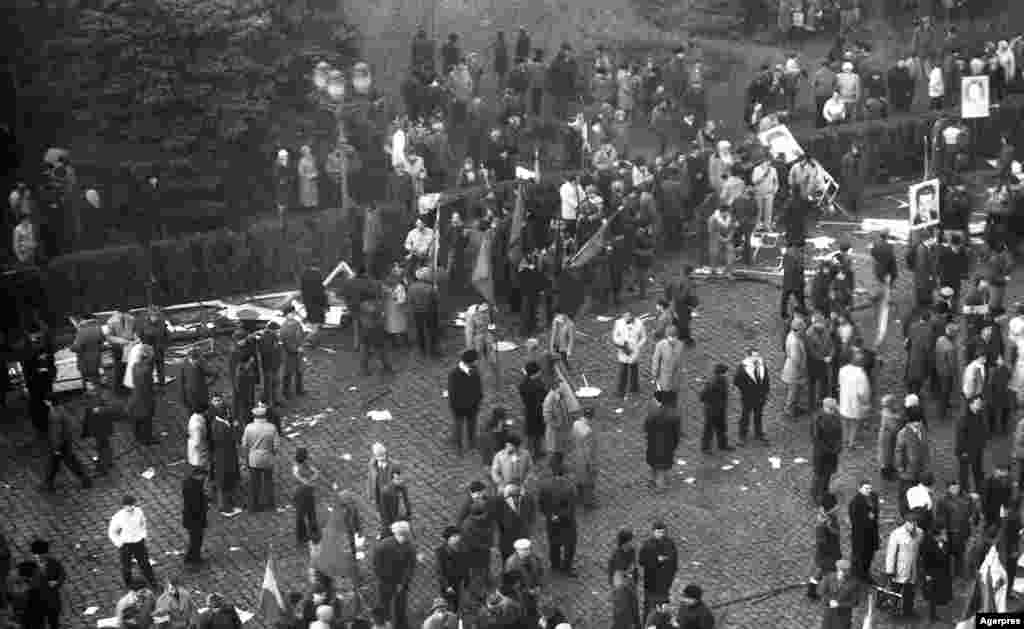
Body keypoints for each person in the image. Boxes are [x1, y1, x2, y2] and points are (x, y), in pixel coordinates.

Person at [537, 454, 578, 576]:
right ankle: (566, 567)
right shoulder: (570, 487)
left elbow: (541, 505)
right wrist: (560, 516)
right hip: (567, 522)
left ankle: (555, 565)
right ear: (564, 473)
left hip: (551, 521)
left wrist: (551, 515)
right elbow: (571, 507)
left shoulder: (544, 486)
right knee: (569, 544)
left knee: (554, 543)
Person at [108, 495, 158, 588]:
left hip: (138, 542)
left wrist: (143, 535)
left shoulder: (139, 512)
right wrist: (119, 543)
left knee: (145, 563)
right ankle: (128, 583)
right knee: (126, 566)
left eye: (132, 505)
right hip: (126, 544)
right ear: (124, 506)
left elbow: (143, 523)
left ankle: (152, 580)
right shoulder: (118, 517)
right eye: (128, 505)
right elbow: (112, 532)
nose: (131, 507)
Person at [374, 521, 416, 629]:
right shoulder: (383, 546)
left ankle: (400, 625)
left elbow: (410, 567)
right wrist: (389, 582)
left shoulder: (409, 547)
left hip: (401, 582)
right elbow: (378, 566)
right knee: (384, 607)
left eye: (406, 535)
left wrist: (402, 583)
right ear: (397, 534)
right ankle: (383, 625)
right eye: (403, 535)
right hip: (385, 582)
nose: (405, 538)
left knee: (400, 607)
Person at [43, 399, 92, 492]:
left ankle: (85, 479)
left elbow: (56, 433)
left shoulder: (54, 414)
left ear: (49, 402)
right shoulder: (62, 409)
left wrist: (56, 447)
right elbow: (71, 424)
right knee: (57, 463)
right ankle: (48, 482)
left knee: (67, 462)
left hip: (60, 444)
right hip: (66, 441)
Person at [934, 479, 978, 578]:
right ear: (948, 488)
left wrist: (973, 520)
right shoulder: (943, 500)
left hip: (963, 533)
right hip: (949, 533)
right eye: (952, 487)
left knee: (961, 556)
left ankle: (959, 575)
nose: (955, 489)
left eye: (957, 486)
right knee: (947, 556)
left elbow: (973, 513)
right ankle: (947, 575)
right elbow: (940, 518)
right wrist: (942, 532)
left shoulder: (967, 498)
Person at [241, 403, 279, 512]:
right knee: (268, 482)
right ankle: (270, 505)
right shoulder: (271, 427)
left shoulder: (249, 428)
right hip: (267, 457)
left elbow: (244, 444)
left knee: (254, 483)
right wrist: (272, 453)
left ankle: (253, 506)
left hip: (254, 458)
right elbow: (276, 446)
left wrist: (247, 456)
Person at [209, 394, 242, 515]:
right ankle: (225, 508)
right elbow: (230, 439)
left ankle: (225, 504)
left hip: (221, 456)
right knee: (224, 483)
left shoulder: (218, 423)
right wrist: (235, 428)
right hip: (224, 457)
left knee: (223, 482)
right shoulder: (222, 426)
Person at [638, 522, 678, 620]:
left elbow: (674, 561)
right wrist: (656, 560)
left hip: (665, 581)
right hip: (651, 582)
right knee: (649, 606)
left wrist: (670, 577)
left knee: (664, 606)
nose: (661, 534)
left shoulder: (670, 543)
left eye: (663, 532)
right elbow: (641, 561)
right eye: (658, 532)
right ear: (653, 532)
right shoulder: (647, 545)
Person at [885, 515, 922, 618]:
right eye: (911, 523)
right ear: (906, 522)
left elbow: (919, 550)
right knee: (895, 591)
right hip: (899, 569)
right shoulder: (896, 534)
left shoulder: (920, 533)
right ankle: (893, 611)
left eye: (915, 523)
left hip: (912, 569)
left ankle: (908, 611)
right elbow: (891, 553)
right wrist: (890, 570)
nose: (913, 526)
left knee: (910, 592)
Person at [22, 540, 65, 629]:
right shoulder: (29, 565)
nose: (39, 556)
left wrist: (56, 582)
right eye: (37, 554)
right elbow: (23, 579)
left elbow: (62, 574)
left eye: (42, 554)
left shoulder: (53, 563)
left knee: (54, 622)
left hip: (52, 600)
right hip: (37, 601)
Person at [448, 350, 484, 455]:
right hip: (459, 407)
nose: (477, 362)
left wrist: (479, 398)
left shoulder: (474, 370)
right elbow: (453, 394)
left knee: (472, 425)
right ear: (471, 362)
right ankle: (458, 446)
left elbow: (478, 385)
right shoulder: (454, 374)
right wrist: (456, 407)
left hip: (473, 406)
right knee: (458, 427)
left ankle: (472, 442)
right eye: (475, 360)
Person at [645, 390, 681, 491]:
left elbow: (646, 426)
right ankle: (660, 486)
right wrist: (674, 444)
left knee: (653, 464)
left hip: (653, 442)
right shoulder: (674, 415)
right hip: (667, 444)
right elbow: (676, 433)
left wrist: (649, 437)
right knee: (662, 467)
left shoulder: (653, 413)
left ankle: (651, 481)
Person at [807, 492, 841, 600]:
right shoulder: (822, 524)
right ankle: (832, 593)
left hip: (829, 552)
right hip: (828, 554)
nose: (837, 507)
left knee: (820, 570)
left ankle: (811, 589)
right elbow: (821, 541)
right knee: (831, 572)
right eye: (835, 506)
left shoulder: (829, 516)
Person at [733, 349, 770, 445]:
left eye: (757, 356)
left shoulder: (762, 365)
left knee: (758, 415)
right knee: (745, 416)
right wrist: (746, 390)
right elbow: (736, 381)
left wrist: (766, 392)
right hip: (748, 397)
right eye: (754, 356)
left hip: (760, 396)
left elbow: (766, 379)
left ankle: (758, 433)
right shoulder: (742, 368)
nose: (756, 358)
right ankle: (742, 435)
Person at [810, 398, 843, 504]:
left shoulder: (836, 417)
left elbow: (839, 433)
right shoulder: (817, 419)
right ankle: (815, 495)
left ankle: (824, 492)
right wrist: (829, 449)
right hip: (822, 453)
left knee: (828, 474)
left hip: (832, 452)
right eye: (831, 409)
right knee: (819, 474)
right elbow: (816, 439)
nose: (833, 411)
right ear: (825, 407)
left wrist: (838, 446)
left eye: (834, 409)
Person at [837, 351, 870, 450]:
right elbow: (863, 391)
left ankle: (844, 440)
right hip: (856, 402)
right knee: (854, 423)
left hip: (844, 399)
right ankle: (851, 443)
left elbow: (839, 384)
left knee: (844, 421)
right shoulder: (861, 374)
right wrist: (865, 402)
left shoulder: (842, 370)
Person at [848, 480, 880, 582]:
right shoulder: (855, 502)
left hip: (872, 533)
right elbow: (855, 521)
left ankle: (865, 573)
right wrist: (868, 518)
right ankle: (858, 575)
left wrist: (873, 515)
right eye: (866, 488)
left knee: (869, 555)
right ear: (860, 488)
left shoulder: (873, 497)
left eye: (870, 488)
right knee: (859, 556)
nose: (868, 490)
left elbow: (876, 510)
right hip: (860, 535)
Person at [955, 396, 988, 494]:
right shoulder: (964, 418)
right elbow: (960, 437)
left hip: (977, 449)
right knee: (964, 474)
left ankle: (979, 489)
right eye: (977, 403)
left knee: (978, 471)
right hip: (965, 451)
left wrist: (982, 443)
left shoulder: (980, 415)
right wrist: (962, 451)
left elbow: (982, 430)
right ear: (971, 404)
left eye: (980, 403)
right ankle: (964, 491)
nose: (979, 405)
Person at [494, 484, 535, 561]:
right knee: (507, 561)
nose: (516, 498)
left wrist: (527, 529)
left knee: (524, 560)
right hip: (506, 539)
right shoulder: (499, 500)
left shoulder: (528, 498)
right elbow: (497, 520)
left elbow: (531, 515)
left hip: (523, 536)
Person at [613, 310, 647, 399]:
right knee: (622, 370)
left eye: (628, 316)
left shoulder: (639, 323)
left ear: (633, 316)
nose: (626, 318)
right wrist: (620, 343)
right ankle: (620, 391)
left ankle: (634, 387)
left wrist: (638, 346)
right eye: (624, 316)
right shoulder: (618, 323)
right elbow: (615, 336)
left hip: (634, 350)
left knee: (634, 368)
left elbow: (644, 337)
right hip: (623, 349)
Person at [699, 364, 732, 454]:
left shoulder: (723, 381)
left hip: (720, 409)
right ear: (722, 373)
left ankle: (722, 445)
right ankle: (705, 448)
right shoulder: (712, 383)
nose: (727, 375)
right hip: (712, 411)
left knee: (721, 428)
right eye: (726, 373)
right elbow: (702, 397)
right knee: (709, 430)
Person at [293, 448, 321, 548]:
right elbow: (310, 478)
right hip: (302, 494)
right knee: (303, 515)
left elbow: (316, 472)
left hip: (305, 493)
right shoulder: (298, 469)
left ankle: (310, 533)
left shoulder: (303, 466)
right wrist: (311, 479)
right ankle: (305, 535)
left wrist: (310, 479)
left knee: (308, 513)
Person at [817, 559, 858, 628]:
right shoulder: (829, 577)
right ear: (837, 569)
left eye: (845, 571)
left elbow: (855, 601)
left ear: (848, 571)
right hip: (830, 612)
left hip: (844, 615)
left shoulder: (854, 583)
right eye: (840, 570)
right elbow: (820, 591)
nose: (842, 573)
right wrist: (829, 601)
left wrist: (839, 604)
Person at [570, 408, 598, 508]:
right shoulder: (588, 431)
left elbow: (572, 439)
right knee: (589, 482)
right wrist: (591, 465)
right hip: (585, 459)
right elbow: (588, 451)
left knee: (578, 478)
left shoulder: (576, 424)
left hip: (576, 455)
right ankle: (588, 502)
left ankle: (579, 496)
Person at [781, 316, 808, 421]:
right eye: (802, 330)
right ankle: (789, 412)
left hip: (794, 369)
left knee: (796, 391)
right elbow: (796, 359)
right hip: (794, 370)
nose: (803, 332)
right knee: (793, 392)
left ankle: (794, 408)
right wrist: (802, 369)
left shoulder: (793, 336)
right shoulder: (794, 341)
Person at [651, 325, 685, 408]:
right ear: (667, 336)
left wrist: (680, 374)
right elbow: (655, 360)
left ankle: (672, 409)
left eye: (675, 337)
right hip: (664, 375)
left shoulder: (680, 345)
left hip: (675, 376)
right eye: (671, 337)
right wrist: (655, 374)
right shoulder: (660, 345)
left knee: (674, 394)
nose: (673, 339)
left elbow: (680, 361)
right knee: (663, 395)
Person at [519, 362, 547, 458]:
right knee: (534, 434)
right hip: (536, 412)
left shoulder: (525, 383)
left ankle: (537, 451)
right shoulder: (535, 386)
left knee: (535, 433)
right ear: (535, 373)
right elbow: (543, 396)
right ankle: (532, 454)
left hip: (530, 411)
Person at [182, 466, 208, 567]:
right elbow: (197, 503)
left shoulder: (188, 483)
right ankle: (195, 557)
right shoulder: (195, 486)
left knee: (194, 538)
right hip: (196, 517)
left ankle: (191, 556)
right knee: (197, 539)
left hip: (190, 517)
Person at [83, 398, 117, 476]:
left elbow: (88, 418)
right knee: (105, 446)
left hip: (99, 429)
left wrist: (86, 432)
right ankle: (108, 462)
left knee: (101, 448)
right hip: (103, 429)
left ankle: (103, 469)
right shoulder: (100, 399)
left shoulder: (94, 403)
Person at [378, 467, 412, 539]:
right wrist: (389, 526)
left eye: (401, 479)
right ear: (392, 479)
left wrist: (408, 513)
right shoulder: (386, 491)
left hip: (404, 519)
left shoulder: (403, 487)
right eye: (398, 479)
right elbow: (383, 511)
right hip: (393, 522)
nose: (400, 481)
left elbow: (406, 501)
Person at [543, 378, 573, 458]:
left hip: (562, 430)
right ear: (556, 386)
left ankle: (559, 466)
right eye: (562, 386)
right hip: (555, 431)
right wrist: (557, 424)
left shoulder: (560, 396)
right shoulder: (550, 399)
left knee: (561, 450)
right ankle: (556, 468)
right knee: (555, 451)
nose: (564, 388)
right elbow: (547, 416)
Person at [187, 402, 209, 473]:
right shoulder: (197, 424)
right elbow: (197, 441)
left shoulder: (194, 417)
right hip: (198, 447)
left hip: (195, 445)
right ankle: (199, 471)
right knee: (198, 460)